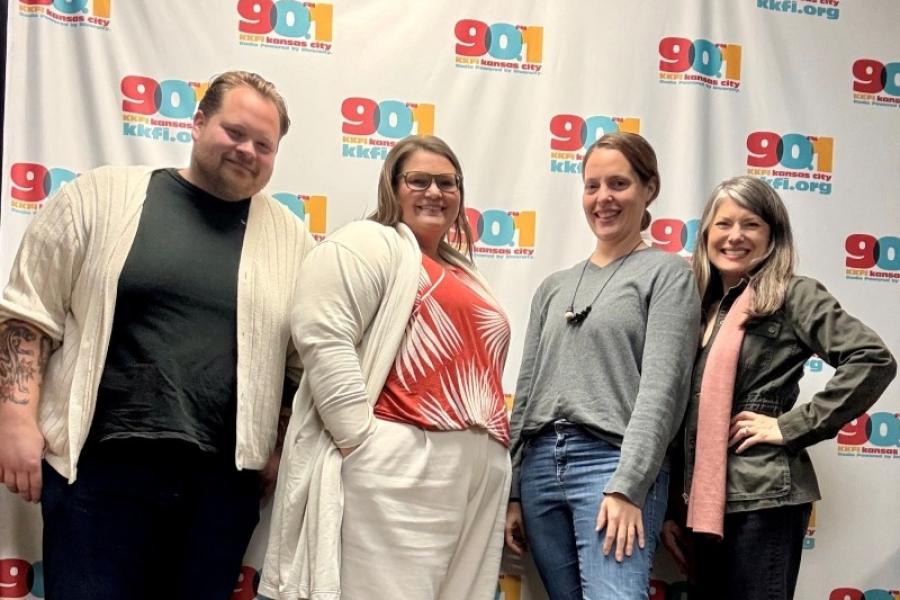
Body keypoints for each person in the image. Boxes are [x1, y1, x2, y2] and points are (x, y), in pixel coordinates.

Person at [0, 70, 315, 599]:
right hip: (96, 476)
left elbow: (298, 365)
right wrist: (14, 419)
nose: (247, 150)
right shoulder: (100, 197)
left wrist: (279, 447)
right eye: (235, 132)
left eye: (264, 145)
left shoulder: (292, 240)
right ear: (198, 123)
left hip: (220, 491)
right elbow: (27, 314)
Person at [260, 135, 511, 600]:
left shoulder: (465, 272)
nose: (434, 192)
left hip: (476, 471)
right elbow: (322, 330)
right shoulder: (367, 241)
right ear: (392, 187)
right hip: (400, 462)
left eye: (447, 182)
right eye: (419, 180)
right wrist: (359, 440)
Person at [660, 175, 896, 600]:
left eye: (750, 224)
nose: (734, 236)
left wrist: (788, 426)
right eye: (723, 224)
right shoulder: (695, 309)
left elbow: (872, 360)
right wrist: (669, 510)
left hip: (764, 498)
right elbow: (678, 417)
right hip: (699, 505)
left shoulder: (792, 294)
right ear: (706, 234)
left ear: (773, 236)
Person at [503, 132, 700, 599]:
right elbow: (526, 393)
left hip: (611, 463)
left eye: (619, 184)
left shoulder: (668, 274)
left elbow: (663, 390)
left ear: (649, 189)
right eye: (592, 186)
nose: (603, 198)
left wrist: (629, 485)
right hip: (539, 471)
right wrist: (513, 490)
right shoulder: (553, 287)